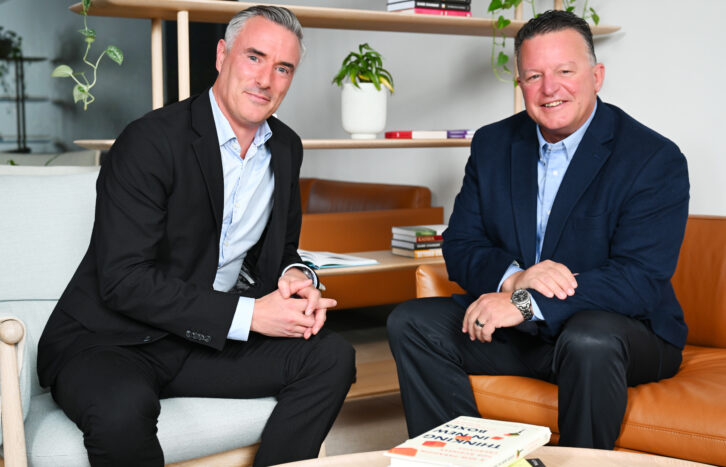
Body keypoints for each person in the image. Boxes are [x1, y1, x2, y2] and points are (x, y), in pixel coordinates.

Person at [37, 6, 355, 466]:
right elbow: (124, 280)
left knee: (332, 358)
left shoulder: (286, 147)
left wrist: (295, 276)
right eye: (254, 57)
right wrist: (251, 315)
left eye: (283, 68)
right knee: (122, 410)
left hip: (201, 341)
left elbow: (283, 247)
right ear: (222, 55)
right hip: (113, 339)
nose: (265, 79)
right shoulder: (149, 141)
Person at [388, 9, 689, 449]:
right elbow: (461, 244)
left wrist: (526, 304)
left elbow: (638, 279)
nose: (550, 89)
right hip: (525, 332)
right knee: (411, 323)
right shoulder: (493, 144)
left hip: (622, 331)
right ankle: (463, 457)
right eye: (534, 76)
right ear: (520, 83)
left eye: (565, 71)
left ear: (596, 76)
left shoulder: (652, 158)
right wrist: (515, 281)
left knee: (589, 339)